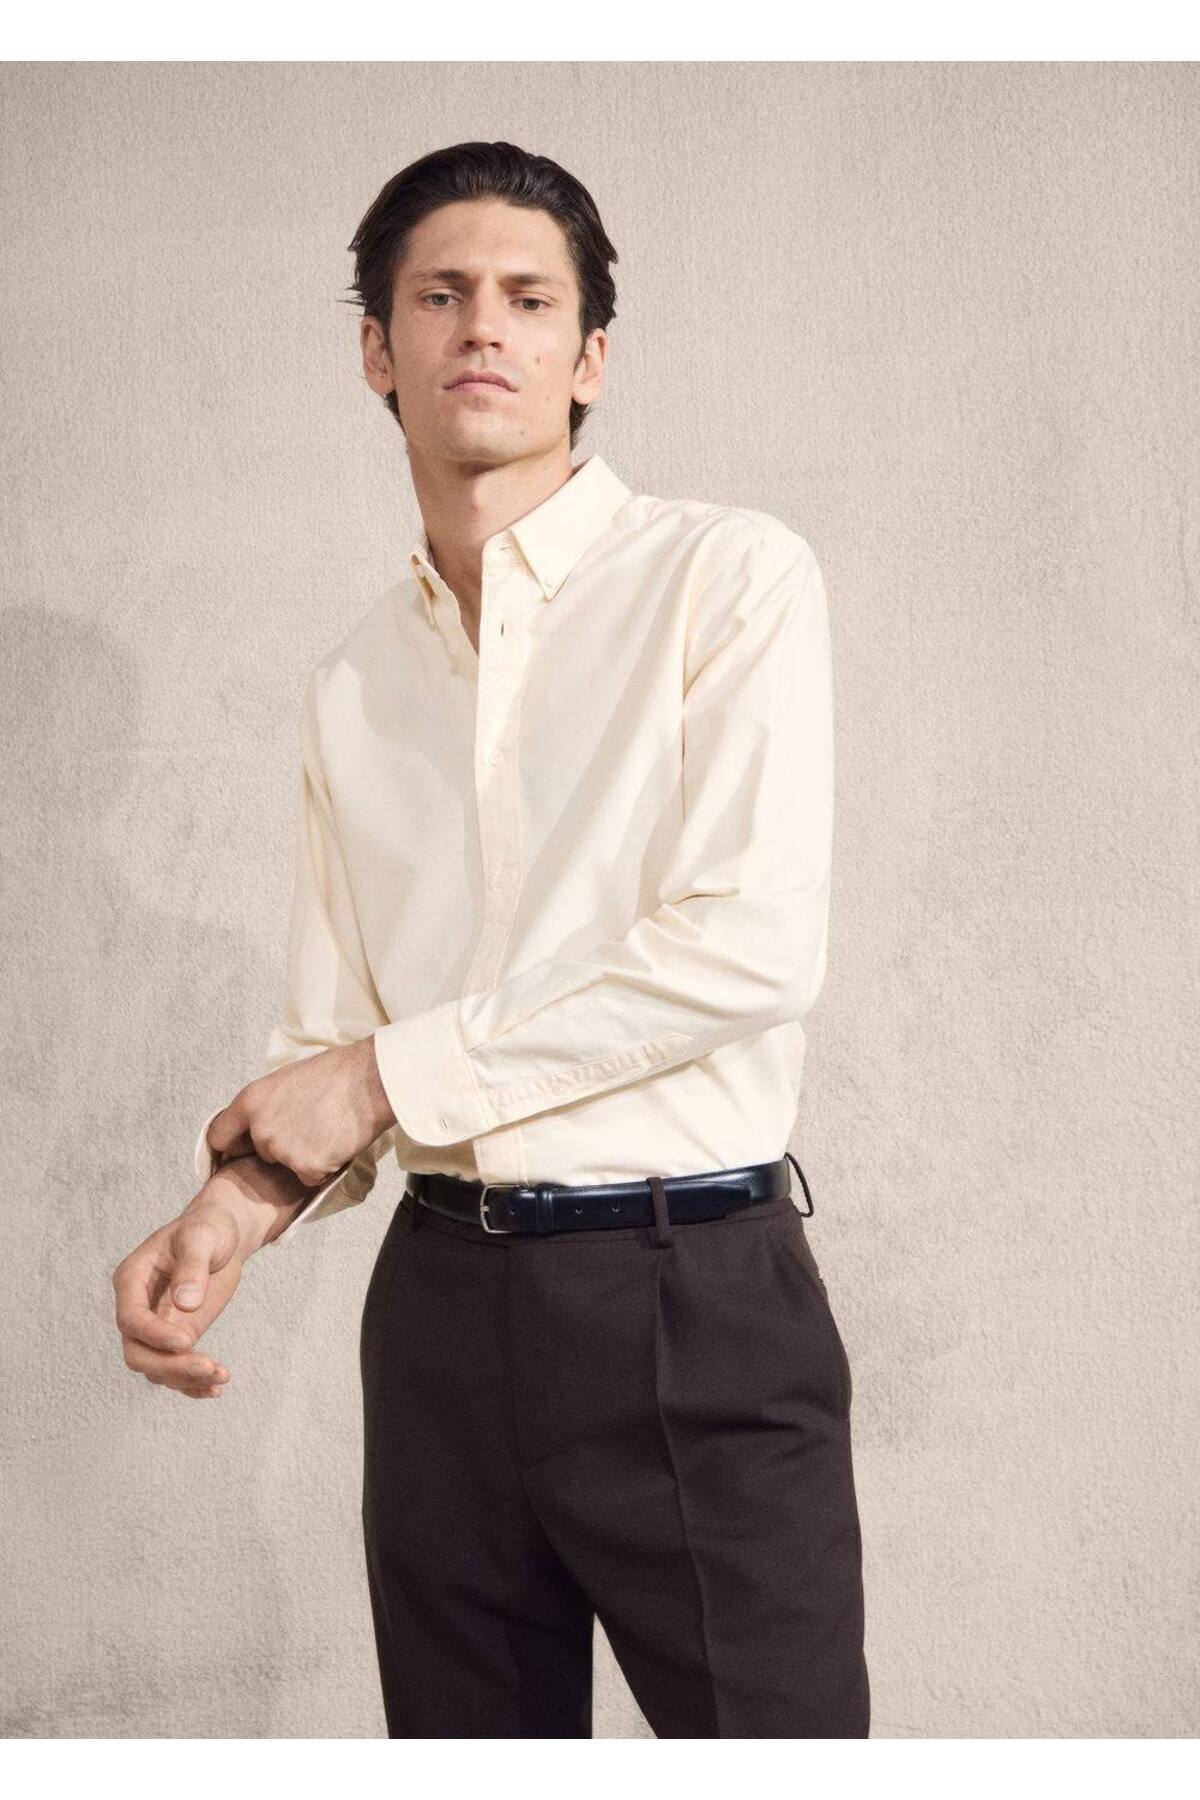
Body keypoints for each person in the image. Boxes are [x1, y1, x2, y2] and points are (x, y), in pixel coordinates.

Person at [110, 140, 869, 1740]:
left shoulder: (727, 578)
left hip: (690, 1296)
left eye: (529, 299)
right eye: (440, 294)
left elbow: (747, 947)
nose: (483, 327)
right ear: (375, 350)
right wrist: (234, 1205)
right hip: (441, 1311)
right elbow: (332, 1030)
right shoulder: (353, 682)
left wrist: (382, 1080)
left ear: (588, 357)